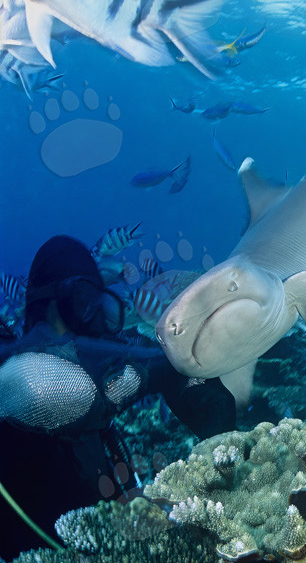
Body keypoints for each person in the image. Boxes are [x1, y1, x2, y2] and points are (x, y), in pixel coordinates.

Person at [0, 236, 237, 559]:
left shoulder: (93, 369)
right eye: (87, 304)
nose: (99, 322)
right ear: (57, 303)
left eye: (106, 309)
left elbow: (218, 421)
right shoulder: (12, 376)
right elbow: (42, 381)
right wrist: (172, 362)